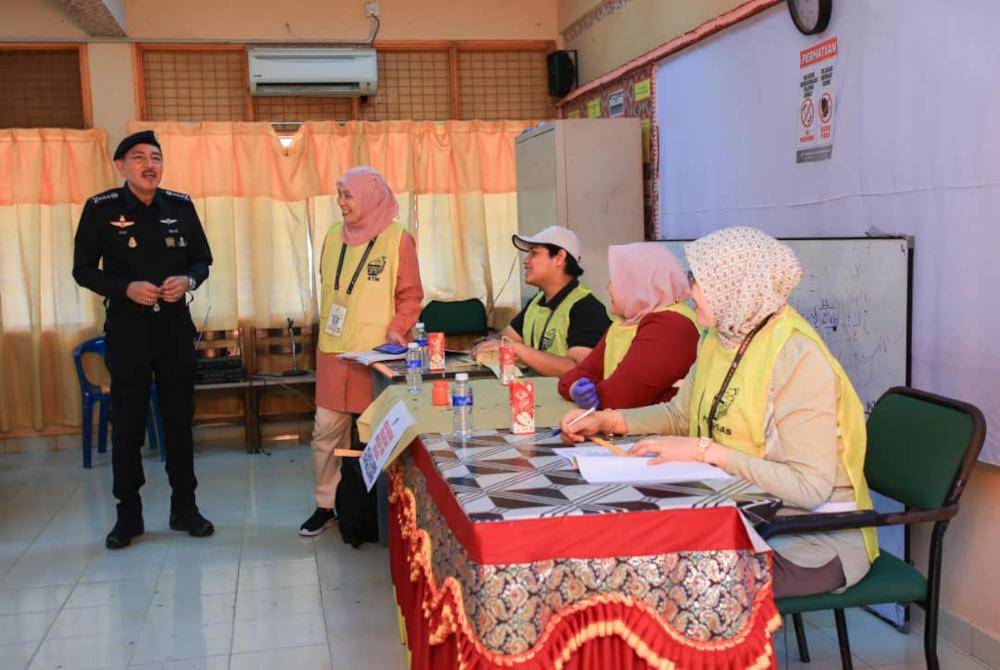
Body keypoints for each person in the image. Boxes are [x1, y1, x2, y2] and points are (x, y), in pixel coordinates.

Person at [560, 227, 878, 598]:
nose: (689, 288)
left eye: (698, 279)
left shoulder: (797, 358)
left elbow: (808, 488)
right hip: (740, 516)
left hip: (808, 539)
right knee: (626, 554)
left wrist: (706, 453)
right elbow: (681, 417)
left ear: (736, 288)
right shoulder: (719, 337)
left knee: (665, 583)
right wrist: (609, 420)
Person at [72, 130, 214, 549]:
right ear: (121, 166)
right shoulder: (101, 209)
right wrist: (124, 288)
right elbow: (83, 270)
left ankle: (184, 508)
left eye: (156, 157)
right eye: (138, 158)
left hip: (173, 327)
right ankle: (127, 515)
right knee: (129, 422)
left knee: (178, 420)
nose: (149, 165)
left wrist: (188, 279)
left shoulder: (180, 206)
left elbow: (202, 259)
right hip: (128, 330)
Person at [300, 167, 423, 536]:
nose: (341, 202)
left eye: (347, 195)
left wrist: (396, 330)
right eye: (339, 194)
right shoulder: (332, 235)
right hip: (334, 352)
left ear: (369, 197)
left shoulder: (398, 239)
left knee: (376, 435)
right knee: (326, 432)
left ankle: (377, 511)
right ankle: (326, 503)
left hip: (377, 358)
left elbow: (411, 296)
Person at [558, 243, 700, 409]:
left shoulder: (671, 325)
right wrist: (575, 388)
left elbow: (619, 398)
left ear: (639, 284)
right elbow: (571, 378)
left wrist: (594, 392)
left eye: (616, 280)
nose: (608, 287)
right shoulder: (625, 322)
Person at [475, 226, 610, 377]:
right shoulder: (537, 301)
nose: (525, 261)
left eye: (534, 253)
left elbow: (579, 370)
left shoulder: (586, 308)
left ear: (559, 257)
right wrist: (484, 345)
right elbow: (505, 338)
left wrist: (518, 349)